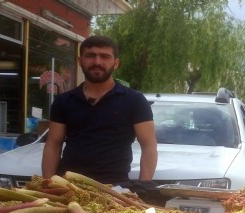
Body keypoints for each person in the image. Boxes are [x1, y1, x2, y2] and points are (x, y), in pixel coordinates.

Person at [42, 35, 158, 187]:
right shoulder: (64, 101)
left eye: (105, 57)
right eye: (90, 56)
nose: (97, 62)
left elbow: (149, 146)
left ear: (116, 63)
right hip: (68, 187)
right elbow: (53, 145)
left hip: (115, 189)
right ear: (80, 61)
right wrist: (48, 184)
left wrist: (144, 186)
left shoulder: (134, 100)